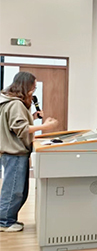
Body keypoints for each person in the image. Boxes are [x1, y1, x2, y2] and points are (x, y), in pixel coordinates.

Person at [0, 72, 58, 232]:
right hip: (14, 152)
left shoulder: (8, 100)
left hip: (12, 152)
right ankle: (4, 222)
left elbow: (14, 123)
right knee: (14, 190)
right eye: (34, 86)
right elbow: (20, 128)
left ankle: (8, 219)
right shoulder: (16, 104)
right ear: (27, 86)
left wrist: (32, 117)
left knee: (16, 189)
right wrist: (45, 126)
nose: (34, 90)